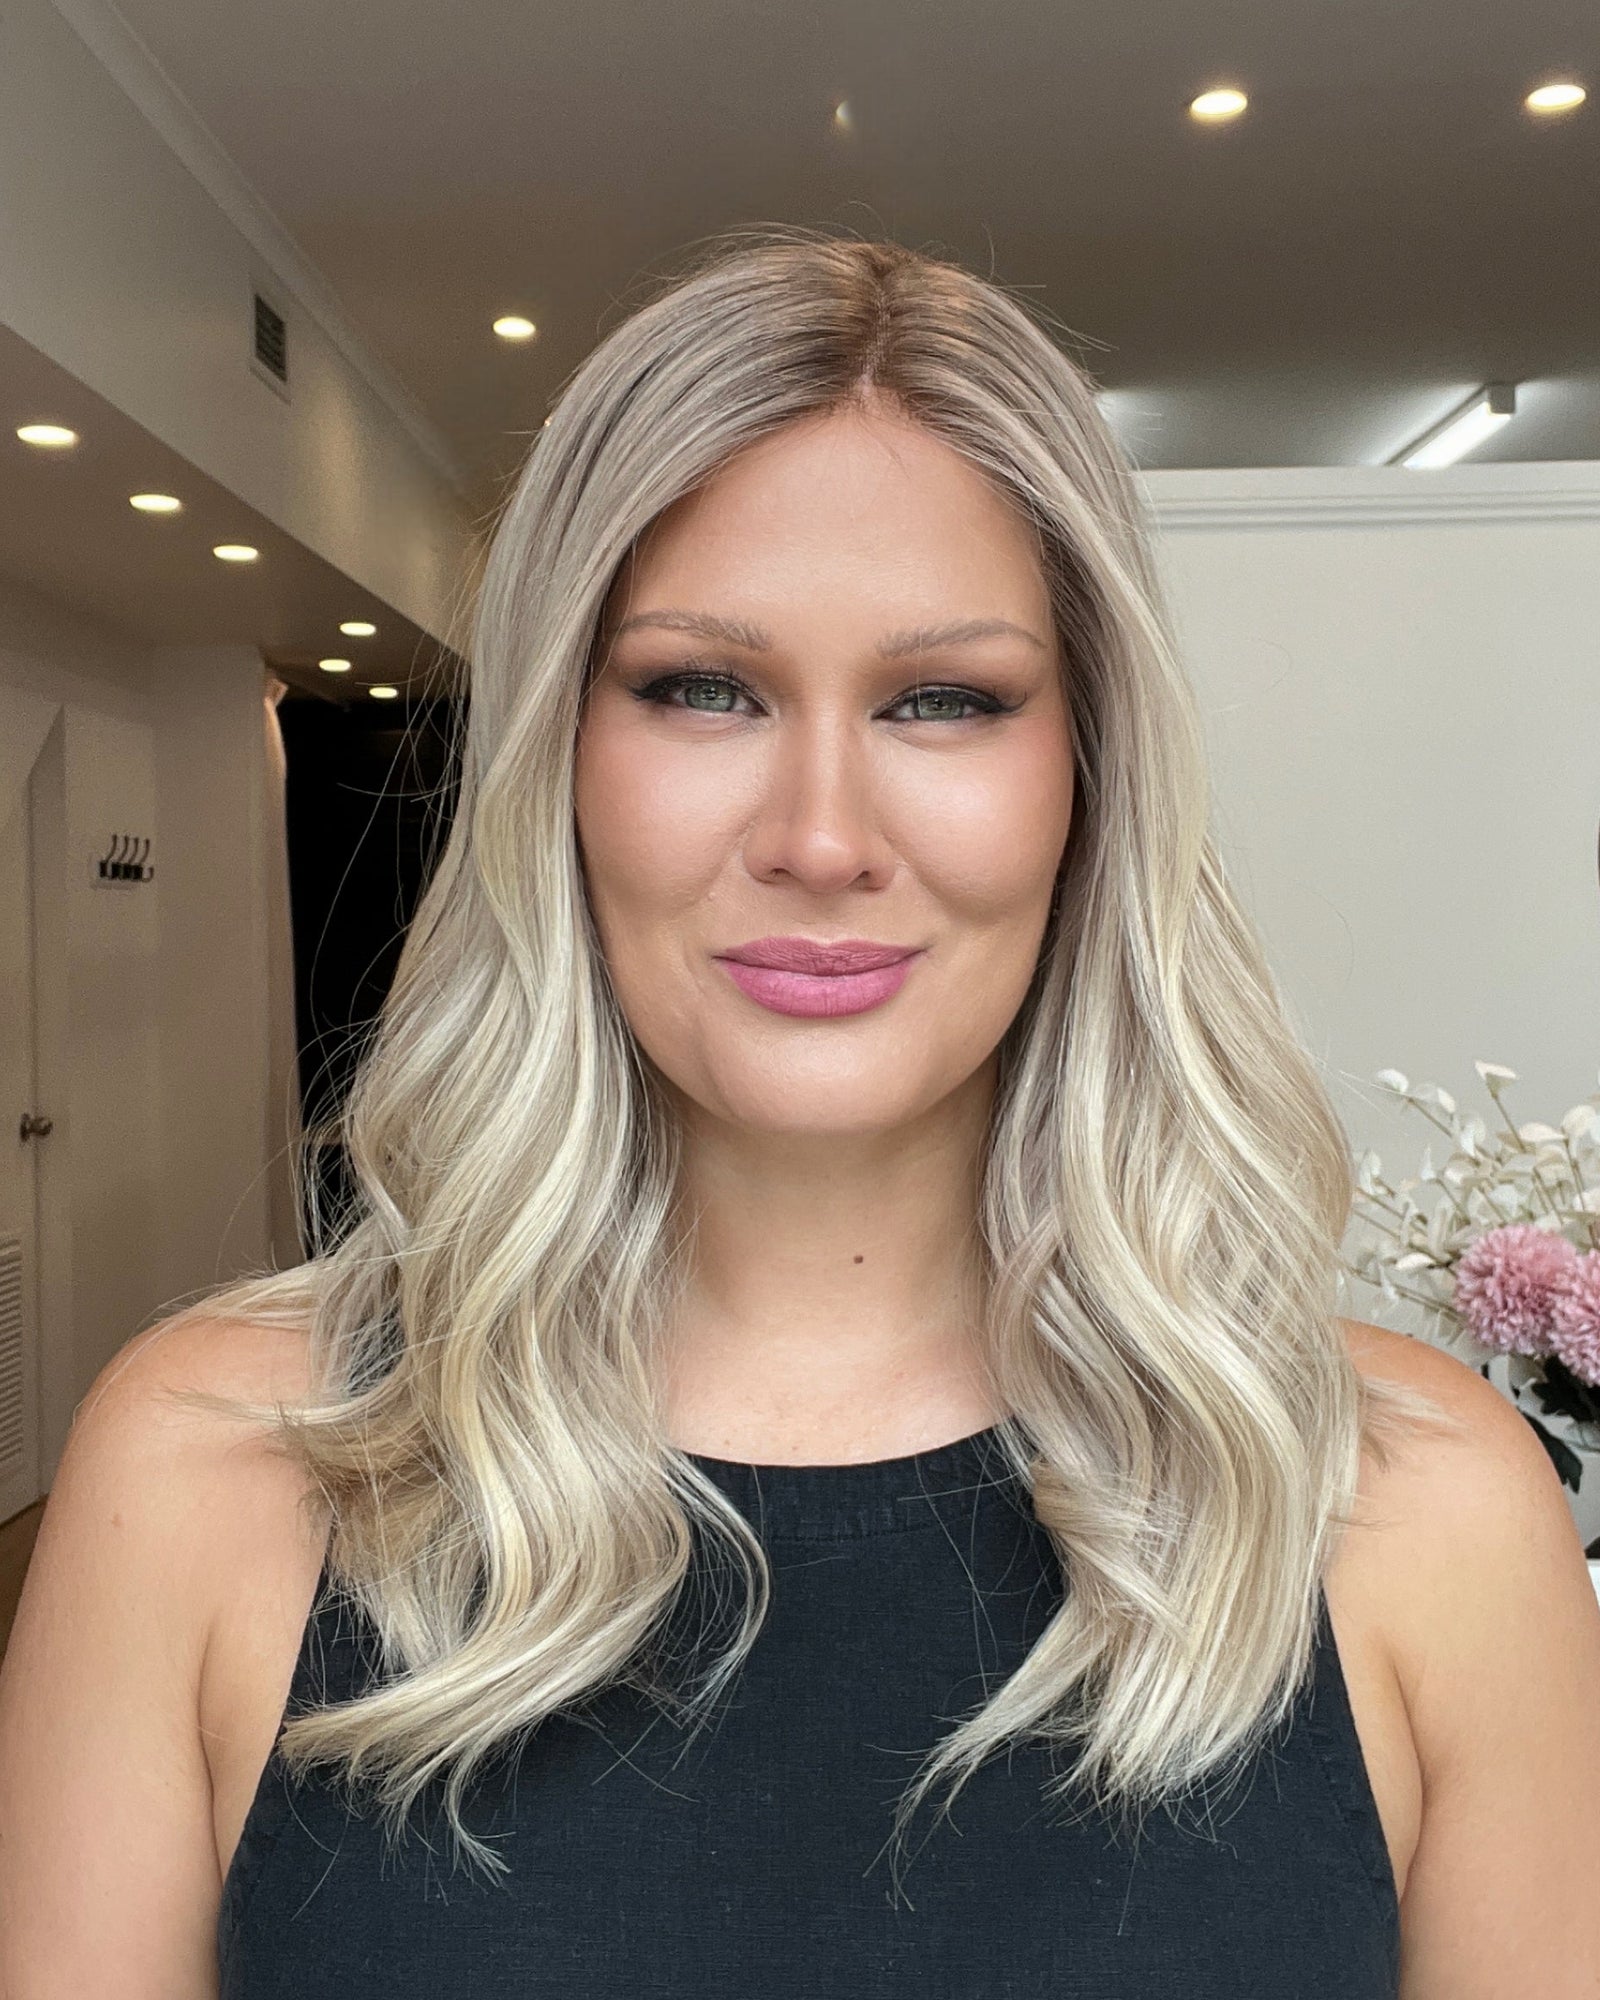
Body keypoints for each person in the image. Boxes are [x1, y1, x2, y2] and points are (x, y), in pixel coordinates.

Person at [2, 227, 1597, 1999]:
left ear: (1089, 774)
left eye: (945, 700)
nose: (821, 835)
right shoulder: (207, 1473)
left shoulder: (1424, 1511)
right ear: (558, 761)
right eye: (703, 687)